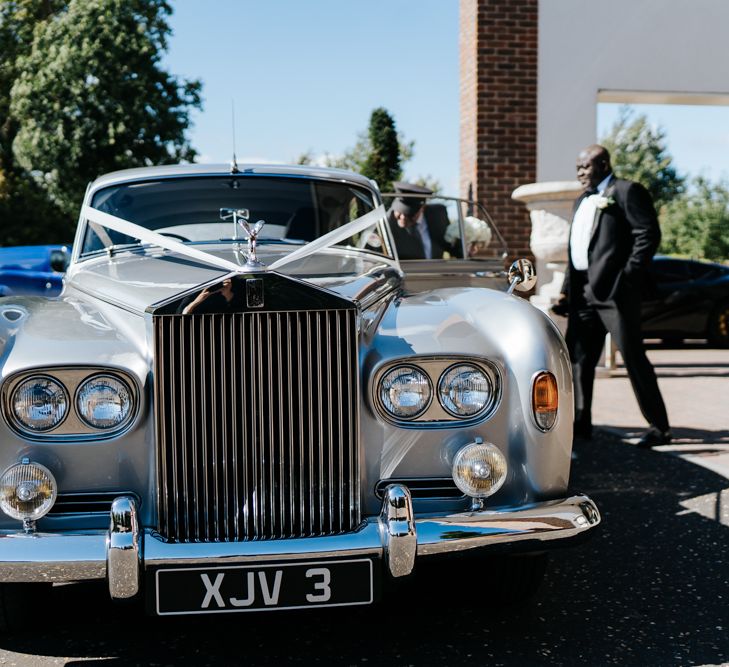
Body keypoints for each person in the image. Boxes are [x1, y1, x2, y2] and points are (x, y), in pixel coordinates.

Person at [552, 144, 671, 448]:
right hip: (583, 294)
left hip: (615, 294)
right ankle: (580, 425)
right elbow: (575, 250)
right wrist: (566, 291)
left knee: (633, 357)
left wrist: (627, 278)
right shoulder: (581, 201)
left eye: (586, 167)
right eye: (577, 167)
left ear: (604, 164)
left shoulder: (627, 192)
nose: (580, 172)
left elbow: (647, 234)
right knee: (578, 359)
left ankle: (660, 428)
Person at [387, 182, 461, 260]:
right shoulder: (387, 222)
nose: (402, 217)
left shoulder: (438, 214)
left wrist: (467, 250)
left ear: (422, 208)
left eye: (409, 213)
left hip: (436, 270)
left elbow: (449, 244)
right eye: (399, 211)